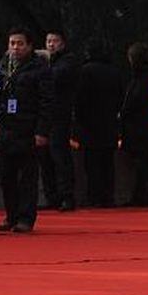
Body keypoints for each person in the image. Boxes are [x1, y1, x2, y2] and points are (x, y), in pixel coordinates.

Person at [0, 27, 48, 233]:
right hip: (6, 129)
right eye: (12, 43)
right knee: (6, 176)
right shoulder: (3, 66)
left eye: (20, 43)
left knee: (27, 177)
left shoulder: (39, 69)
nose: (15, 47)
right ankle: (11, 215)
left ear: (29, 46)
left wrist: (41, 131)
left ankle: (25, 218)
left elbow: (46, 102)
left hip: (28, 128)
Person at [37, 30, 82, 212]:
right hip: (44, 116)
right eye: (48, 41)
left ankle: (66, 196)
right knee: (44, 156)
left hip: (60, 115)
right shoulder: (44, 63)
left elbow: (55, 77)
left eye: (54, 41)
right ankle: (52, 196)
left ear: (62, 43)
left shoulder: (67, 62)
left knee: (59, 154)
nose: (51, 45)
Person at [76, 42, 125, 208]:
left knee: (92, 163)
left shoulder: (85, 71)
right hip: (110, 122)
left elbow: (81, 98)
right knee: (107, 163)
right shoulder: (114, 71)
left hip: (90, 124)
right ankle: (108, 196)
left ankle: (94, 196)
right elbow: (120, 96)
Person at [119, 42, 148, 206]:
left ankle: (144, 195)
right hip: (142, 126)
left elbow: (135, 100)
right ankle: (147, 194)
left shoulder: (141, 79)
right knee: (145, 162)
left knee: (143, 163)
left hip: (138, 127)